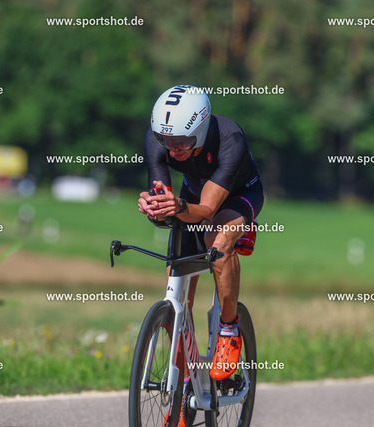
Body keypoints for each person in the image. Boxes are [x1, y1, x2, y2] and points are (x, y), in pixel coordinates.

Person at [138, 84, 263, 425]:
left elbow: (207, 210)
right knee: (176, 284)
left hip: (237, 196)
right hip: (191, 197)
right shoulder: (158, 139)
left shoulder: (230, 139)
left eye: (182, 141)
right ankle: (184, 388)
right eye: (166, 140)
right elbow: (164, 199)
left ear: (202, 128)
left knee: (216, 241)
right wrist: (154, 207)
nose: (173, 148)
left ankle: (229, 329)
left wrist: (178, 206)